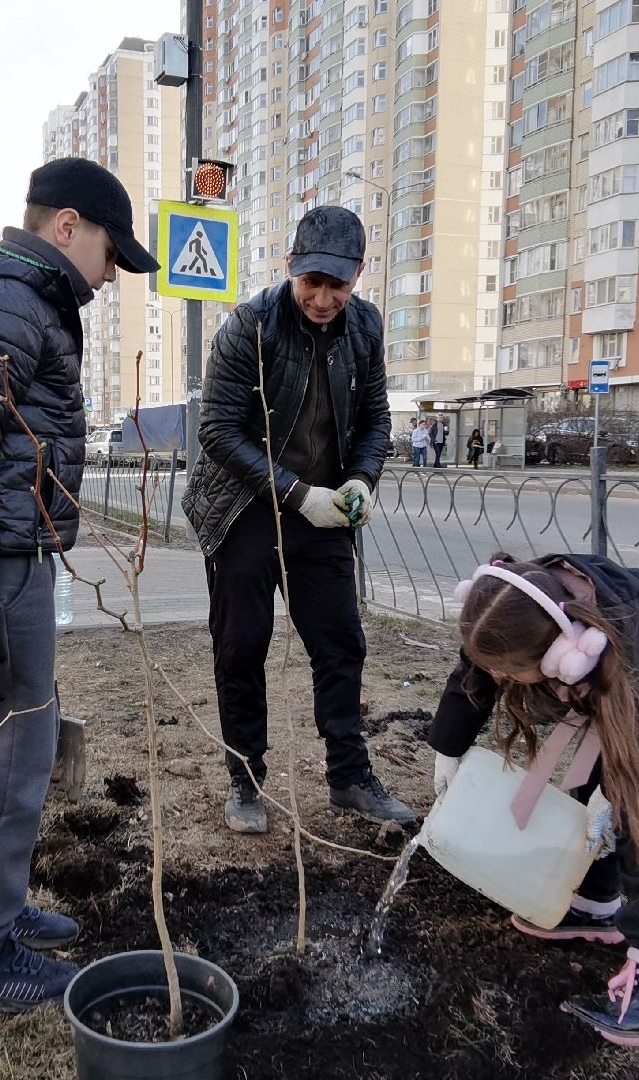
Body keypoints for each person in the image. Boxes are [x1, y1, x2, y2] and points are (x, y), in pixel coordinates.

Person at [0, 157, 159, 1011]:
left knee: (18, 743)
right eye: (109, 252)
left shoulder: (19, 298)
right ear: (67, 226)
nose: (110, 274)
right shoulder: (12, 300)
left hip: (10, 556)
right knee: (12, 760)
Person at [430, 552, 639, 1054]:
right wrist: (448, 748)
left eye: (510, 673)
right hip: (631, 677)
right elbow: (476, 671)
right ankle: (593, 906)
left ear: (562, 656)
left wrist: (619, 793)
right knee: (594, 800)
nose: (500, 679)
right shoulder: (510, 607)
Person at [182, 204, 415, 835]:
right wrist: (294, 492)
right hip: (245, 508)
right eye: (312, 282)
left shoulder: (365, 327)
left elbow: (376, 419)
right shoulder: (249, 326)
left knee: (341, 643)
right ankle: (246, 779)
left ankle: (349, 778)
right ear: (290, 267)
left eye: (338, 285)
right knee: (242, 646)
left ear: (358, 275)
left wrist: (361, 478)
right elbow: (218, 431)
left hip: (324, 510)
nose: (323, 299)